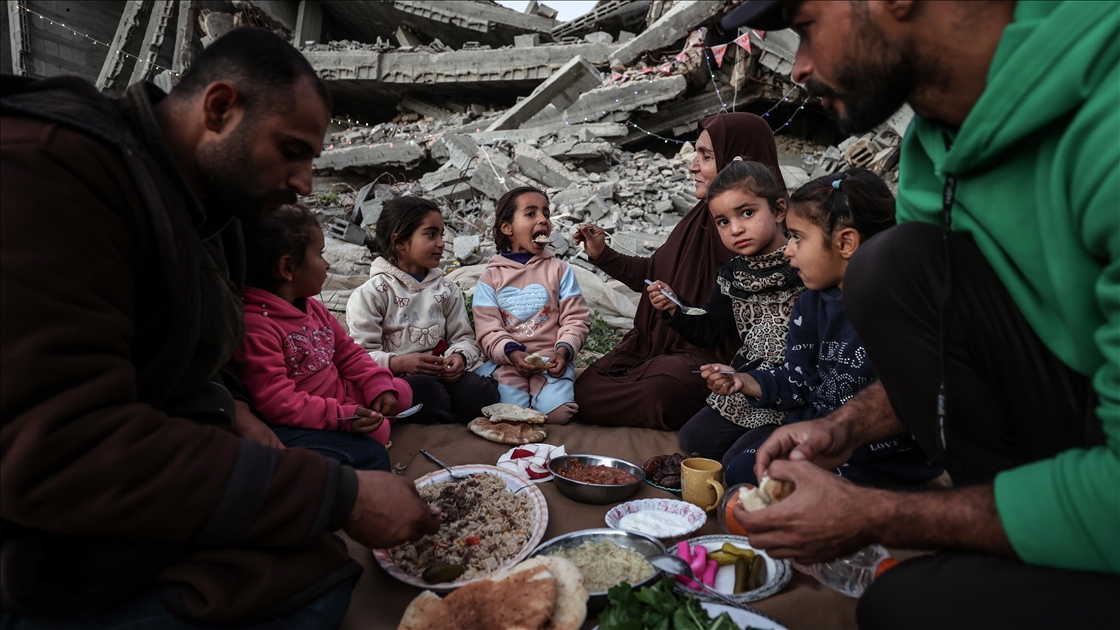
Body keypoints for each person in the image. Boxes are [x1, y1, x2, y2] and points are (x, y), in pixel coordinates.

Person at [0, 28, 439, 628]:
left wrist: (232, 406)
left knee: (317, 559)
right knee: (311, 585)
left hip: (155, 459)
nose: (304, 182)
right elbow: (57, 446)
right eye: (291, 150)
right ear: (220, 108)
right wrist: (339, 495)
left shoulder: (208, 207)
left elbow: (189, 357)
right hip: (46, 524)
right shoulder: (52, 172)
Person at [721, 2, 1118, 628]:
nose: (797, 67)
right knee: (891, 268)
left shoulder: (1106, 124)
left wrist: (875, 514)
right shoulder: (934, 146)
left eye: (806, 28)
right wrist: (845, 427)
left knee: (897, 609)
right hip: (1062, 440)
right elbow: (946, 352)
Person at [704, 169, 940, 489]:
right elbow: (798, 380)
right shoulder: (810, 306)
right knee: (743, 469)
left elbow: (916, 402)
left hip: (884, 456)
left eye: (798, 238)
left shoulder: (900, 308)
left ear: (845, 243)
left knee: (777, 482)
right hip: (818, 432)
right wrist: (745, 381)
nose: (789, 249)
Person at [574, 113, 788, 430]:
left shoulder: (772, 240)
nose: (692, 166)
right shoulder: (702, 219)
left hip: (724, 364)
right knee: (586, 390)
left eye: (706, 156)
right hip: (670, 345)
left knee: (660, 392)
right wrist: (603, 255)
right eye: (696, 154)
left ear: (737, 160)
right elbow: (655, 274)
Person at [647, 159, 804, 463]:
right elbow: (710, 331)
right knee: (694, 439)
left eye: (747, 213)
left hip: (797, 385)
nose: (736, 229)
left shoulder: (804, 264)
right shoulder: (732, 276)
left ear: (779, 210)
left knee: (741, 459)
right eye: (722, 221)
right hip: (747, 381)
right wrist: (675, 308)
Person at [233, 204, 412, 469]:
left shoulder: (312, 307)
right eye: (320, 254)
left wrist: (376, 383)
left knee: (401, 392)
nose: (327, 264)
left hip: (338, 393)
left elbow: (348, 352)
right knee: (377, 432)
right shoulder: (258, 327)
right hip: (310, 415)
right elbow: (278, 401)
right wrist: (340, 416)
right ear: (287, 268)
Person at [347, 196, 499, 424]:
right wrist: (400, 363)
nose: (441, 243)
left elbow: (464, 338)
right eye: (431, 234)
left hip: (443, 376)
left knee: (480, 391)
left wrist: (458, 356)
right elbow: (361, 357)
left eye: (441, 234)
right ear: (400, 241)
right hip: (400, 379)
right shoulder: (371, 294)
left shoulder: (447, 289)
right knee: (423, 390)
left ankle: (442, 411)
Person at [473, 186, 590, 424]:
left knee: (558, 414)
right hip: (508, 363)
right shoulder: (490, 278)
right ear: (507, 227)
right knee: (508, 414)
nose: (543, 220)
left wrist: (563, 351)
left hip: (551, 363)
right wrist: (513, 354)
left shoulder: (560, 270)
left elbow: (576, 318)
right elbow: (487, 329)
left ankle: (551, 389)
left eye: (546, 214)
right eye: (531, 214)